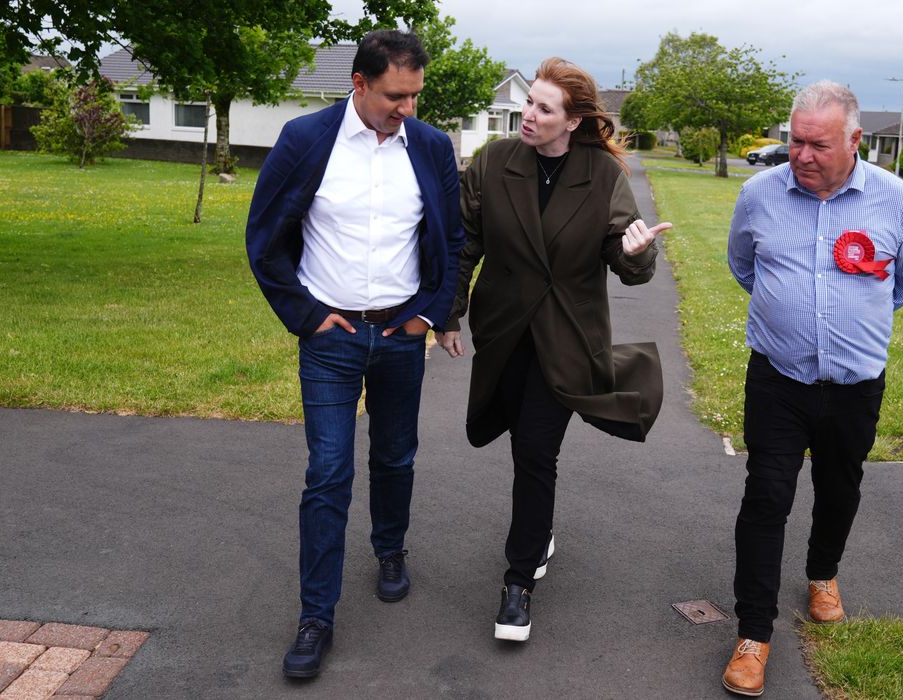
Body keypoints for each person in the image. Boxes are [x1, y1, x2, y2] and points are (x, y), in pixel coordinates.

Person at [245, 30, 463, 678]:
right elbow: (264, 239)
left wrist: (429, 314)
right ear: (359, 84)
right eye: (397, 95)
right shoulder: (305, 140)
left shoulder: (429, 146)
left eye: (416, 96)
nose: (408, 109)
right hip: (331, 341)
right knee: (329, 471)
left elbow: (451, 236)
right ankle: (316, 616)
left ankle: (390, 549)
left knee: (396, 455)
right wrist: (308, 317)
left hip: (400, 335)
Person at [437, 56, 670, 642]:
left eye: (543, 108)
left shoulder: (602, 175)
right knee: (522, 442)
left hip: (566, 337)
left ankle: (518, 585)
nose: (528, 114)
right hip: (506, 331)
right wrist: (450, 313)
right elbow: (465, 241)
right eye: (529, 103)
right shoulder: (494, 162)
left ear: (572, 121)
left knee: (537, 450)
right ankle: (538, 534)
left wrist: (639, 249)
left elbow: (628, 265)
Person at [721, 80, 903, 697]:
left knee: (840, 486)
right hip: (778, 379)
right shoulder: (759, 194)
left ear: (855, 140)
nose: (802, 155)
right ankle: (753, 634)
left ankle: (822, 574)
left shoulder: (900, 203)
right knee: (766, 496)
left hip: (855, 384)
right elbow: (743, 266)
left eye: (818, 144)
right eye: (795, 142)